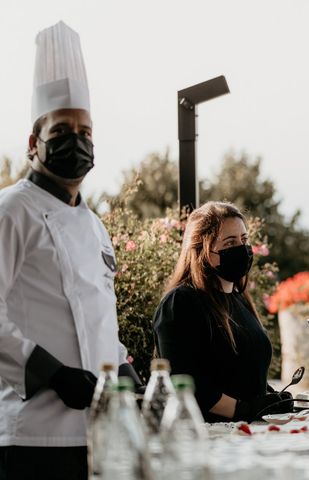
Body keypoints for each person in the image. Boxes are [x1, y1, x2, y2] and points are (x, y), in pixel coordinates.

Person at [0, 21, 141, 480]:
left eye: (85, 130)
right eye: (62, 129)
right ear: (33, 143)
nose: (76, 139)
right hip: (31, 435)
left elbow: (97, 314)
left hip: (99, 432)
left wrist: (123, 366)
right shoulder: (11, 210)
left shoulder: (95, 226)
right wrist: (51, 372)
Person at [153, 201, 293, 423]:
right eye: (229, 242)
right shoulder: (180, 303)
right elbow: (186, 381)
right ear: (203, 250)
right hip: (210, 439)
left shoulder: (240, 299)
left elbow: (245, 370)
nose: (241, 248)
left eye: (244, 240)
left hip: (254, 435)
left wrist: (270, 398)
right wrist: (245, 409)